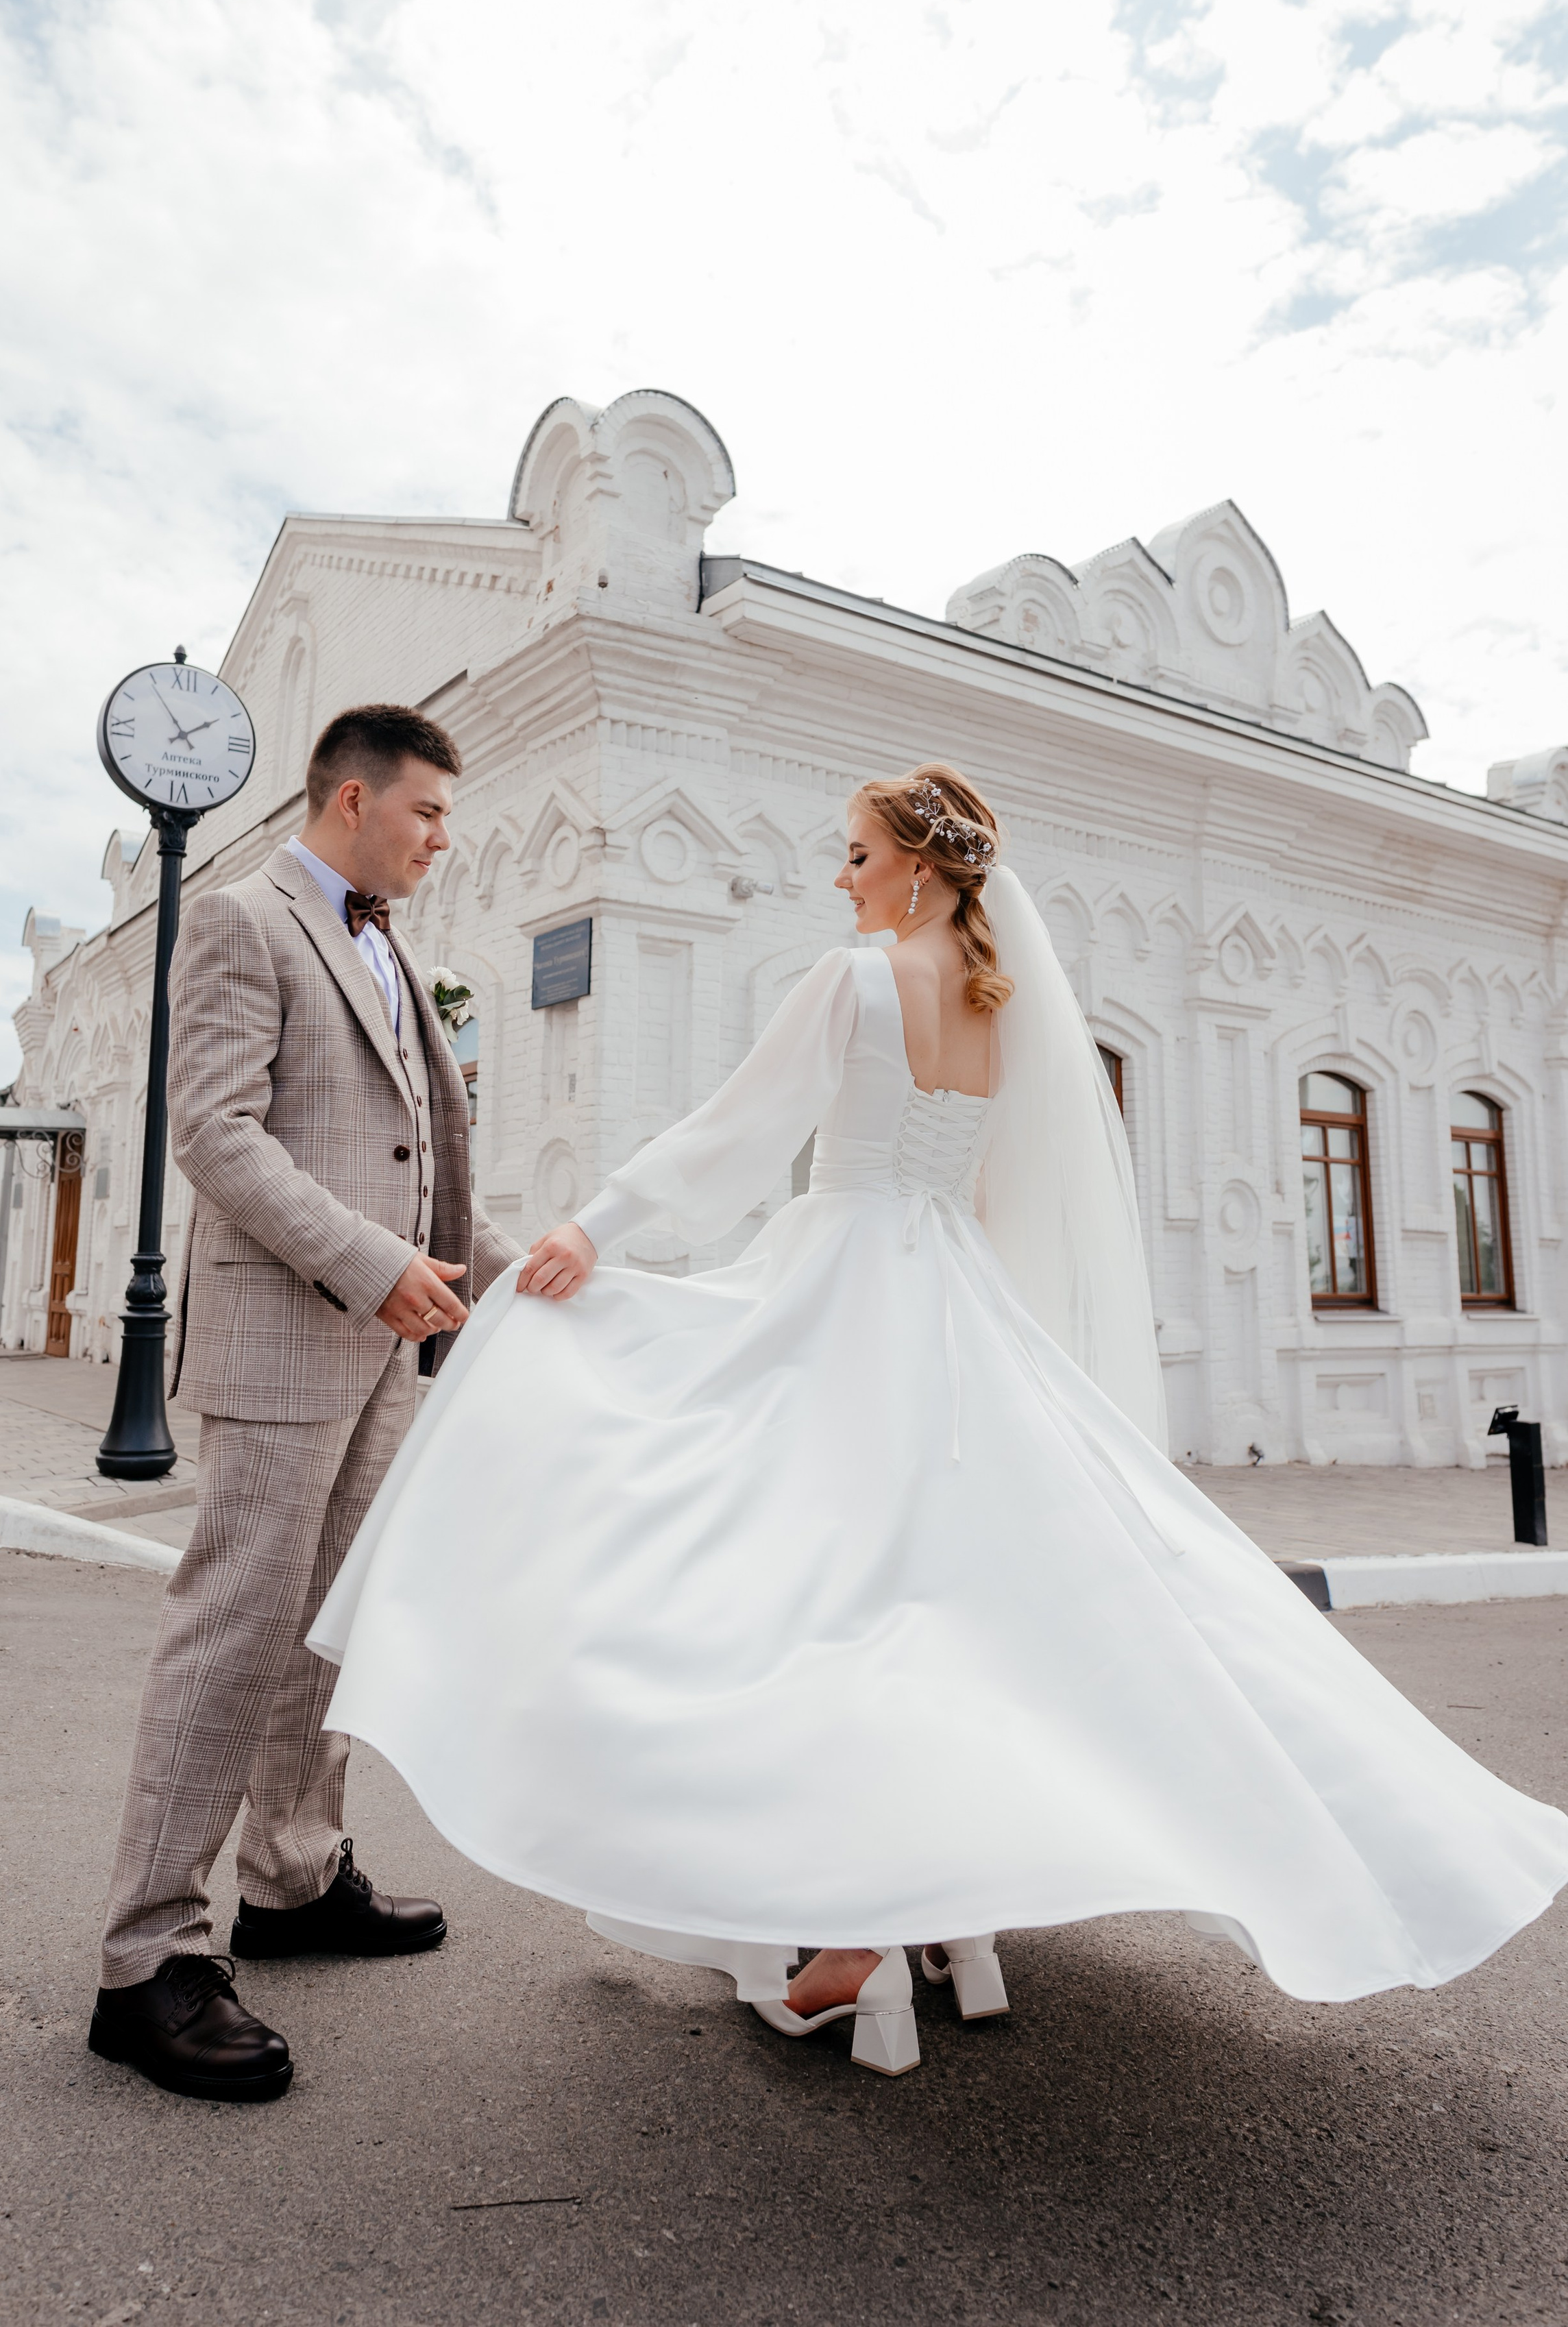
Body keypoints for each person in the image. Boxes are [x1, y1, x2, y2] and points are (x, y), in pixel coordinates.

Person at [309, 762, 1568, 2079]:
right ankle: (928, 1915)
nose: (839, 879)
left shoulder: (855, 983)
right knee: (941, 1600)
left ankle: (854, 1929)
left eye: (854, 855)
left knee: (791, 1587)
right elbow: (1007, 1188)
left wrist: (588, 1229)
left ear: (916, 866)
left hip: (846, 1286)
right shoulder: (997, 1003)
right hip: (956, 1306)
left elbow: (733, 1137)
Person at [89, 704, 520, 2103]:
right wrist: (371, 1263)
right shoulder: (243, 921)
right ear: (352, 798)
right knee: (232, 1635)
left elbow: (416, 1153)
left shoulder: (384, 947)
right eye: (430, 815)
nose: (444, 841)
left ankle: (290, 1878)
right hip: (288, 1342)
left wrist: (526, 1266)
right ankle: (146, 1958)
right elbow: (216, 1132)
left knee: (326, 1633)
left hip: (379, 1353)